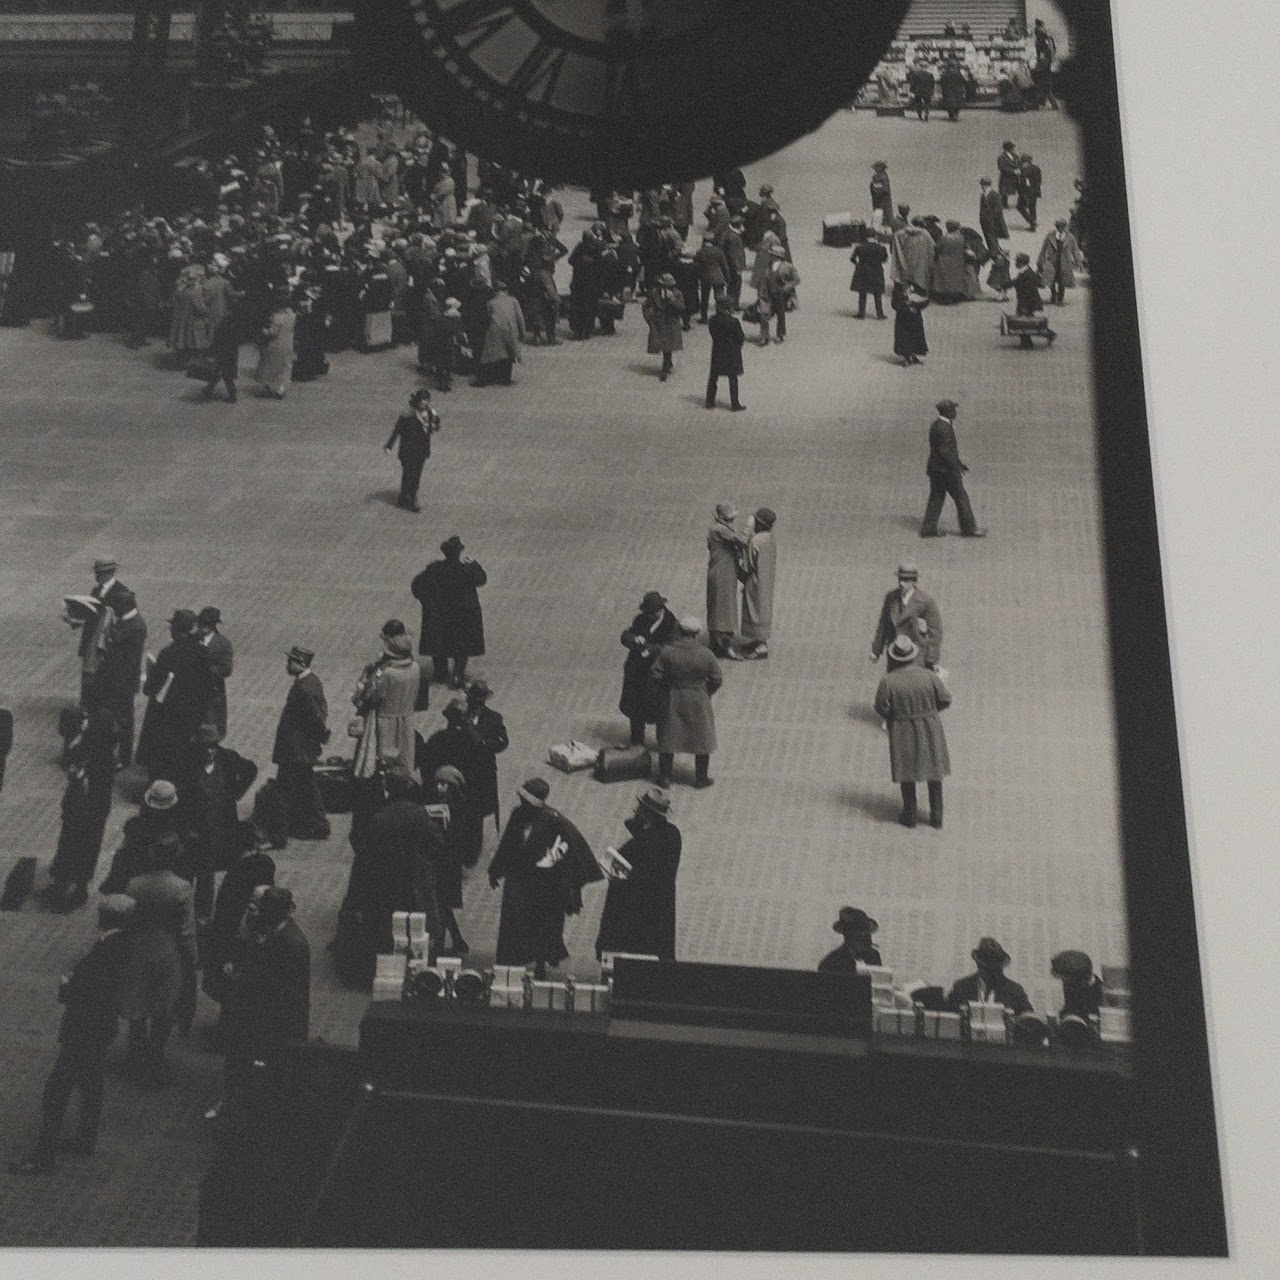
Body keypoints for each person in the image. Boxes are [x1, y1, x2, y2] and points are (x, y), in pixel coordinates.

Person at [7, 895, 137, 1175]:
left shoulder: (105, 950)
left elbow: (86, 992)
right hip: (101, 1027)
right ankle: (85, 1137)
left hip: (83, 1029)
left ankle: (43, 1157)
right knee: (91, 1084)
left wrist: (68, 986)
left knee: (56, 1090)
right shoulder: (123, 945)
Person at [207, 886, 310, 1122]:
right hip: (252, 1011)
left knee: (261, 1065)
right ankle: (234, 1103)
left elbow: (283, 988)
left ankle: (250, 1111)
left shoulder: (293, 944)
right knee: (239, 1059)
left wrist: (242, 978)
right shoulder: (266, 929)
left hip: (270, 1017)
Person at [488, 778, 601, 977]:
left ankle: (540, 963)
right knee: (514, 922)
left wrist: (570, 884)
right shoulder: (518, 815)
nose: (522, 803)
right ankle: (511, 961)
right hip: (520, 879)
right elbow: (508, 844)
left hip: (544, 884)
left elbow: (570, 849)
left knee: (541, 925)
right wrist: (495, 870)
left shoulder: (554, 821)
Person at [121, 834, 198, 1086]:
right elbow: (186, 930)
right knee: (164, 1006)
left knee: (138, 1002)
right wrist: (192, 958)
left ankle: (135, 1055)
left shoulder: (134, 884)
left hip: (138, 947)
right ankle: (154, 1056)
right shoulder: (182, 888)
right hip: (168, 950)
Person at [594, 787, 682, 962]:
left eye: (640, 808)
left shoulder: (643, 843)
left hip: (636, 905)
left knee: (634, 948)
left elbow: (635, 861)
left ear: (647, 813)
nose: (636, 810)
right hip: (661, 904)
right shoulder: (673, 835)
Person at [874, 636, 952, 829]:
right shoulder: (929, 676)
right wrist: (931, 711)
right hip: (930, 724)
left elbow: (880, 706)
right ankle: (937, 815)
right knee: (934, 771)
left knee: (906, 771)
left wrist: (893, 716)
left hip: (902, 728)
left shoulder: (889, 681)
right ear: (913, 656)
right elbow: (945, 698)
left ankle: (909, 814)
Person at [43, 715, 118, 912]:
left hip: (88, 808)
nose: (84, 724)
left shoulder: (101, 760)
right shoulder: (94, 751)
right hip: (81, 806)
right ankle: (69, 882)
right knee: (75, 842)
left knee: (81, 843)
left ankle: (76, 886)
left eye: (87, 721)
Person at [136, 608, 213, 783]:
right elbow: (206, 687)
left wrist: (150, 678)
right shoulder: (201, 653)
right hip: (189, 714)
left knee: (160, 753)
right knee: (181, 753)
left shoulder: (169, 654)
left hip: (165, 712)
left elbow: (153, 686)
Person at [652, 616, 723, 789]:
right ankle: (701, 778)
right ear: (697, 633)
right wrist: (707, 690)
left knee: (668, 737)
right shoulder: (706, 654)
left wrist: (665, 689)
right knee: (701, 738)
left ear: (680, 631)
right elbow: (717, 677)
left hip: (673, 697)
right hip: (698, 698)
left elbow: (655, 674)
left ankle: (665, 777)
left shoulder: (668, 652)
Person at [410, 534, 487, 688]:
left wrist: (426, 602)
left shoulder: (434, 569)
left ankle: (441, 672)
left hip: (439, 615)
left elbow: (416, 585)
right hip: (462, 616)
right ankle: (458, 675)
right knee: (461, 646)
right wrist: (474, 565)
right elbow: (481, 579)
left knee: (439, 644)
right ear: (458, 553)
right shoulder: (465, 570)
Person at [271, 645, 331, 841]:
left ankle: (299, 826)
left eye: (291, 662)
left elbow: (314, 717)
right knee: (303, 785)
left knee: (296, 787)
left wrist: (322, 734)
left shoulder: (304, 688)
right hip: (300, 748)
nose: (287, 665)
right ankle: (307, 823)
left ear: (301, 664)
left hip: (296, 748)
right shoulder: (311, 681)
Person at [351, 627, 421, 779]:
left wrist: (364, 683)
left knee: (382, 756)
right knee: (404, 754)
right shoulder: (415, 668)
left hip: (385, 719)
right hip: (406, 719)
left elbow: (370, 696)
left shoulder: (387, 673)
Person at [94, 587, 146, 767]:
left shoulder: (134, 626)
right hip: (117, 680)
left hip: (121, 682)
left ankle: (123, 758)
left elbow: (119, 649)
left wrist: (108, 637)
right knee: (117, 718)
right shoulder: (128, 621)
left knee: (123, 720)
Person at [620, 591, 678, 747]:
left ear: (661, 610)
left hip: (657, 674)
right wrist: (634, 639)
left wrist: (651, 650)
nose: (649, 616)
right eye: (647, 613)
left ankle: (663, 741)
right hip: (637, 672)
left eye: (653, 613)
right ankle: (636, 740)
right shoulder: (640, 620)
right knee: (636, 708)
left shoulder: (672, 624)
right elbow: (625, 635)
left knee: (660, 709)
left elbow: (672, 647)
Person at [920, 399, 985, 537]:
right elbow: (945, 451)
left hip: (935, 469)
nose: (955, 412)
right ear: (947, 411)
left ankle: (928, 529)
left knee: (936, 498)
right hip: (946, 471)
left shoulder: (936, 425)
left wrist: (959, 463)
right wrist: (956, 466)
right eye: (953, 410)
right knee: (961, 498)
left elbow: (942, 450)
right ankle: (969, 529)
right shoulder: (944, 427)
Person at [426, 765, 470, 955]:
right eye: (438, 783)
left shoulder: (459, 809)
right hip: (439, 860)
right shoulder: (436, 803)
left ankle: (441, 942)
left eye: (444, 784)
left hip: (448, 862)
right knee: (441, 902)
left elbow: (458, 837)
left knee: (440, 901)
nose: (440, 788)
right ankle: (456, 939)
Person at [869, 563, 943, 669]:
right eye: (900, 579)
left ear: (914, 582)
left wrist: (932, 659)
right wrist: (876, 650)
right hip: (895, 652)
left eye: (905, 580)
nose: (901, 583)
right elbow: (883, 626)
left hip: (918, 654)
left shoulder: (925, 601)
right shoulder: (891, 598)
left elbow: (935, 631)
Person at [383, 388, 440, 513]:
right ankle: (410, 500)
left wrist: (434, 425)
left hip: (421, 450)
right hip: (408, 450)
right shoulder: (408, 414)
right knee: (409, 474)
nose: (424, 403)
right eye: (422, 400)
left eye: (426, 400)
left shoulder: (430, 413)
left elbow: (436, 425)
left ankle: (405, 497)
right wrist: (389, 445)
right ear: (417, 401)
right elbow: (397, 430)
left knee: (415, 475)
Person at [947, 937, 1033, 1015]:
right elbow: (947, 1021)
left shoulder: (1015, 991)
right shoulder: (961, 988)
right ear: (978, 965)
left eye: (996, 969)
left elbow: (1029, 1023)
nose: (991, 973)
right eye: (986, 969)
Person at [706, 502, 747, 659]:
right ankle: (724, 645)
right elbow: (741, 540)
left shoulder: (718, 528)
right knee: (724, 609)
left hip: (723, 572)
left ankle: (716, 642)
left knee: (720, 607)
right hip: (722, 574)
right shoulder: (720, 529)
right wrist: (749, 527)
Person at [739, 507, 777, 659]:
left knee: (754, 610)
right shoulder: (770, 538)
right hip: (767, 579)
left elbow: (748, 565)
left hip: (755, 581)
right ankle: (758, 640)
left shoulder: (755, 540)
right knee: (763, 609)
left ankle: (761, 646)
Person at [473, 280, 526, 386]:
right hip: (510, 328)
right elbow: (520, 317)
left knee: (491, 353)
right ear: (506, 291)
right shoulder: (513, 300)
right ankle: (505, 379)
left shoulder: (491, 302)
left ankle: (484, 379)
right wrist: (522, 332)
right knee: (509, 353)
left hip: (495, 328)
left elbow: (488, 317)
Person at [195, 606, 233, 742]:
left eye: (207, 625)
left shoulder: (223, 644)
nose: (202, 627)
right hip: (193, 691)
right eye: (201, 624)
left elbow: (227, 669)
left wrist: (205, 670)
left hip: (213, 692)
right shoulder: (194, 640)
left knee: (211, 728)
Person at [705, 295, 746, 411]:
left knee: (713, 377)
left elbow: (713, 334)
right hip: (731, 352)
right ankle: (735, 404)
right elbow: (740, 337)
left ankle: (709, 401)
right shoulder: (733, 321)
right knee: (733, 378)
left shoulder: (712, 320)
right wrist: (737, 347)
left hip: (717, 351)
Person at [201, 289, 242, 402]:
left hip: (223, 348)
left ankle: (231, 393)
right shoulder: (236, 319)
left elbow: (220, 334)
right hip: (231, 349)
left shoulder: (228, 319)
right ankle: (209, 388)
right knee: (220, 369)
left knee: (224, 371)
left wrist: (213, 346)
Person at [642, 272, 685, 381]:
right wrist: (649, 319)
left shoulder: (677, 294)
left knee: (667, 346)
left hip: (671, 323)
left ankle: (665, 369)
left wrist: (672, 300)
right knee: (663, 345)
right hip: (658, 323)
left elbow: (681, 309)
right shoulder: (654, 293)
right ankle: (668, 362)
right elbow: (646, 306)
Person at [755, 244, 799, 345]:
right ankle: (764, 337)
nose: (770, 256)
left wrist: (786, 287)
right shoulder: (766, 266)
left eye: (772, 255)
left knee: (780, 314)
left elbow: (796, 279)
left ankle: (780, 334)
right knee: (763, 314)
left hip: (780, 294)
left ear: (777, 256)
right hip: (766, 293)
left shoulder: (787, 266)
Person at [253, 292, 295, 399]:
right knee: (285, 367)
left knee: (268, 367)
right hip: (288, 344)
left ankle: (266, 387)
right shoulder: (292, 315)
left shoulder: (277, 317)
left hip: (275, 344)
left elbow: (273, 332)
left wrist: (263, 331)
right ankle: (281, 389)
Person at [817, 906, 882, 972]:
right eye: (859, 934)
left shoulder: (873, 956)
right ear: (847, 936)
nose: (867, 938)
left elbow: (878, 980)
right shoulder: (831, 962)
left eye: (867, 933)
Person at [1037, 219, 1084, 305]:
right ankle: (1053, 295)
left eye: (1062, 226)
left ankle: (1060, 298)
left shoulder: (1070, 237)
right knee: (1051, 280)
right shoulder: (1050, 236)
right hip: (1052, 262)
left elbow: (1075, 250)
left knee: (1062, 281)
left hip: (1064, 262)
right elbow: (1043, 249)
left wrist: (1079, 262)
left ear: (1065, 226)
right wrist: (1040, 261)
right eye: (1058, 226)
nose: (1061, 228)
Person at [850, 225, 888, 320]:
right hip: (876, 272)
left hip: (863, 271)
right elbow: (884, 259)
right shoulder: (881, 248)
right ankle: (880, 314)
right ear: (875, 236)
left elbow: (852, 259)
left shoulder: (860, 247)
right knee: (877, 294)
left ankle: (861, 313)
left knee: (862, 294)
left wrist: (858, 264)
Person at [693, 235, 729, 324]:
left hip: (705, 278)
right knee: (719, 298)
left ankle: (704, 318)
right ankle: (720, 316)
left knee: (704, 299)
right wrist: (727, 278)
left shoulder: (700, 252)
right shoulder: (719, 251)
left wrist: (697, 278)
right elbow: (725, 266)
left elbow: (696, 267)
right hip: (718, 277)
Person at [891, 281, 929, 366]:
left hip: (915, 318)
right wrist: (906, 306)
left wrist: (917, 304)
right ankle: (906, 356)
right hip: (903, 318)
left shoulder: (917, 286)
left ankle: (914, 354)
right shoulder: (898, 288)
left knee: (916, 336)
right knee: (905, 338)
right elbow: (894, 304)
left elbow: (925, 299)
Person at [978, 178, 1008, 259]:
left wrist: (990, 218)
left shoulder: (995, 195)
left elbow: (998, 210)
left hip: (993, 221)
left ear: (984, 185)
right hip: (985, 221)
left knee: (991, 236)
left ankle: (994, 253)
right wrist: (981, 218)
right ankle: (994, 251)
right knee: (988, 236)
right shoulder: (983, 195)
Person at [1016, 153, 1042, 231]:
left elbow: (1023, 182)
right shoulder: (1036, 168)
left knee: (1020, 207)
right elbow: (1039, 181)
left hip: (1026, 192)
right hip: (1035, 192)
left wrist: (1022, 192)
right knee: (1032, 208)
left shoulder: (1023, 170)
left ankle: (1032, 222)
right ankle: (1033, 227)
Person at [997, 141, 1021, 209]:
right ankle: (1004, 204)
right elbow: (1002, 168)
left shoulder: (1015, 156)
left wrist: (1019, 169)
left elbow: (1019, 163)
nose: (1013, 149)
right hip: (1006, 177)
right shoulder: (1002, 157)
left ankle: (1021, 203)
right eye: (1011, 148)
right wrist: (1014, 171)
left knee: (1020, 189)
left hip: (1015, 177)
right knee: (1004, 192)